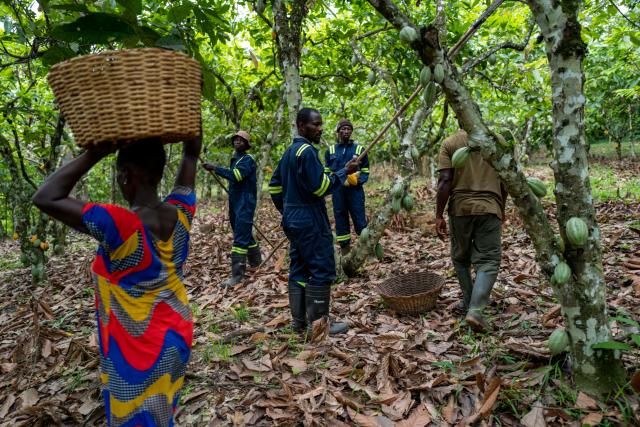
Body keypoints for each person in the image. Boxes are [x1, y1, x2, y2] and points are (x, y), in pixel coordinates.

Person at [32, 134, 201, 427]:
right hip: (176, 334)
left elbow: (45, 197)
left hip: (138, 348)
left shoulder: (120, 223)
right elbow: (190, 155)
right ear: (159, 173)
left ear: (125, 175)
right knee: (161, 412)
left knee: (135, 419)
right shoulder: (181, 210)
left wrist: (94, 153)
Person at [268, 108, 359, 336]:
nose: (320, 129)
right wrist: (344, 172)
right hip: (309, 218)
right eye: (315, 125)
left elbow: (274, 186)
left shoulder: (290, 152)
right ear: (301, 125)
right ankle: (318, 326)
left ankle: (299, 323)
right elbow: (321, 187)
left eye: (320, 124)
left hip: (294, 218)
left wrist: (287, 209)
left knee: (299, 266)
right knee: (321, 266)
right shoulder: (307, 152)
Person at [435, 129, 507, 333]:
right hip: (490, 206)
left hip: (460, 208)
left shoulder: (450, 142)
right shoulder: (497, 140)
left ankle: (468, 303)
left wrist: (438, 215)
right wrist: (501, 208)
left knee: (460, 258)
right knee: (489, 261)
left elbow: (445, 180)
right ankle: (475, 311)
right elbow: (505, 179)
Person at [203, 131, 260, 287]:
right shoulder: (235, 159)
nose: (238, 142)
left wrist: (215, 168)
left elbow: (236, 176)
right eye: (236, 139)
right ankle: (256, 262)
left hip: (245, 202)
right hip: (235, 201)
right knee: (242, 232)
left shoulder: (247, 160)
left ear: (247, 145)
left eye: (242, 140)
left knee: (240, 237)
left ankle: (237, 275)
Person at [324, 119, 370, 255]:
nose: (346, 131)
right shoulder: (331, 150)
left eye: (348, 129)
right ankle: (345, 250)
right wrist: (331, 183)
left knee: (359, 218)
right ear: (338, 132)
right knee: (340, 218)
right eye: (343, 129)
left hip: (355, 191)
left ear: (351, 131)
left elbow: (366, 170)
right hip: (338, 191)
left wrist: (357, 180)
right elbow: (327, 171)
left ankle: (366, 251)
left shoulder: (359, 149)